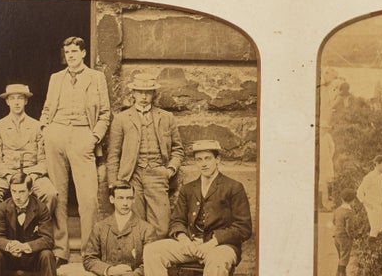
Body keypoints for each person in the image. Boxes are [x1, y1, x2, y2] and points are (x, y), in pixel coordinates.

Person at [40, 36, 112, 264]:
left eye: (74, 51)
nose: (70, 55)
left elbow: (105, 114)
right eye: (67, 51)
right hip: (56, 134)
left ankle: (88, 251)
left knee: (88, 197)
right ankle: (60, 250)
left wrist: (93, 138)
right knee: (58, 195)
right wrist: (45, 130)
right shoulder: (55, 78)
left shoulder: (96, 78)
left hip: (83, 135)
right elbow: (47, 108)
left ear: (83, 53)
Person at [143, 140, 253, 276]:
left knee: (218, 261)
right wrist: (184, 240)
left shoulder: (234, 187)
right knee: (152, 250)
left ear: (217, 159)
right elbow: (177, 220)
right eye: (199, 159)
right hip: (191, 245)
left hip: (220, 246)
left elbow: (243, 228)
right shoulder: (188, 189)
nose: (204, 163)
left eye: (208, 158)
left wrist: (212, 243)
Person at [107, 74, 184, 238]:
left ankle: (156, 258)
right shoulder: (121, 119)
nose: (143, 96)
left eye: (148, 92)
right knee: (134, 222)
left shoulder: (166, 117)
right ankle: (137, 261)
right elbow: (113, 155)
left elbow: (178, 149)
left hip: (157, 173)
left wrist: (170, 169)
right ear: (133, 93)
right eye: (140, 92)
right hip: (131, 176)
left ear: (154, 94)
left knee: (162, 225)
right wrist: (114, 184)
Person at [0, 83, 58, 219]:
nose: (16, 102)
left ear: (26, 101)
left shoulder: (36, 126)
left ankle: (37, 227)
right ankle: (2, 228)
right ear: (7, 101)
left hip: (32, 173)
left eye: (20, 98)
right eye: (12, 98)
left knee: (50, 194)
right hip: (6, 173)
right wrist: (7, 175)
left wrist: (33, 174)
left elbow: (44, 159)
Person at [82, 181, 157, 276]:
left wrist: (134, 274)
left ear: (134, 199)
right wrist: (108, 270)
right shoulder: (100, 227)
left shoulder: (146, 229)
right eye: (120, 198)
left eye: (129, 198)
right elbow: (89, 259)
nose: (125, 203)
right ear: (112, 199)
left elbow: (151, 262)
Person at [0, 172, 56, 276]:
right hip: (10, 258)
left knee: (47, 254)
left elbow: (48, 239)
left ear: (30, 191)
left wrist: (25, 246)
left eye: (21, 192)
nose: (17, 197)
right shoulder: (3, 207)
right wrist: (10, 246)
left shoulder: (41, 208)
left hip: (32, 258)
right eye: (14, 191)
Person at [356, 155, 382, 239]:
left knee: (380, 228)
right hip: (372, 206)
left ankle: (378, 249)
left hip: (380, 205)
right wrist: (367, 204)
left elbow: (381, 191)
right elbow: (359, 192)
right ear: (377, 164)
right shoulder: (369, 177)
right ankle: (370, 248)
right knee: (375, 228)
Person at [332, 189, 357, 276]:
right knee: (344, 258)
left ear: (342, 199)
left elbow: (334, 221)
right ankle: (342, 274)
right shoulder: (349, 212)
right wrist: (352, 236)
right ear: (352, 201)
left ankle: (338, 274)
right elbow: (349, 228)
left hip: (336, 237)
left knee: (341, 257)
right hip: (344, 238)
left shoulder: (338, 210)